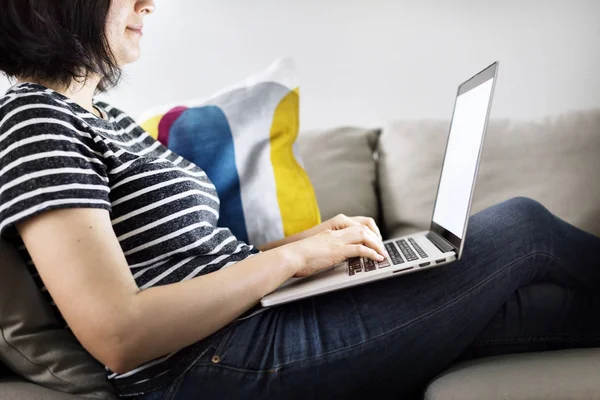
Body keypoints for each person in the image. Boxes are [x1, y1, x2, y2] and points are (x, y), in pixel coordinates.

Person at [0, 1, 599, 399]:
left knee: (535, 306)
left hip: (247, 331)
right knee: (522, 229)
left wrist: (305, 246)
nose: (147, 2)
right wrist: (290, 263)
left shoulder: (101, 117)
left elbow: (185, 267)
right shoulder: (33, 120)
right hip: (209, 365)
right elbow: (119, 333)